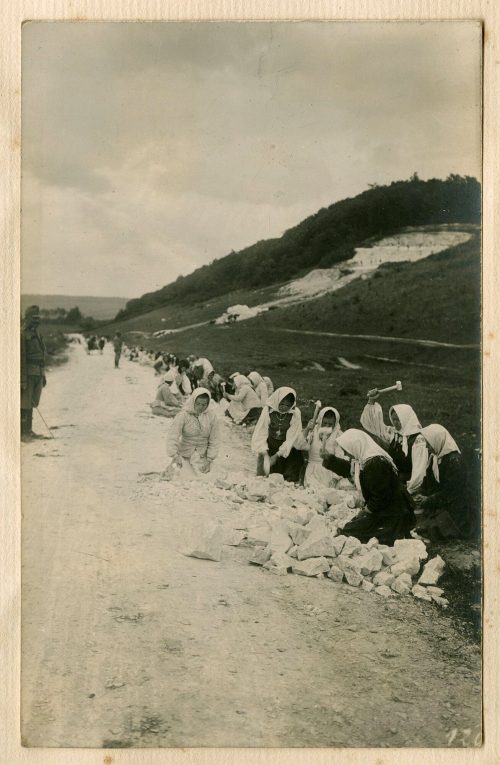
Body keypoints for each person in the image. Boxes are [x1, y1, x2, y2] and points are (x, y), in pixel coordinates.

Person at [321, 429, 415, 545]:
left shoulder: (375, 463)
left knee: (352, 532)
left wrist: (366, 511)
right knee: (351, 528)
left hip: (392, 513)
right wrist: (329, 459)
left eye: (346, 450)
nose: (346, 454)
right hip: (384, 509)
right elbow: (350, 470)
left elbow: (381, 496)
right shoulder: (365, 459)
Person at [360, 393, 434, 496]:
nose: (395, 423)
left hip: (410, 487)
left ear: (406, 419)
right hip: (396, 482)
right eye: (393, 419)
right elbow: (374, 425)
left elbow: (419, 471)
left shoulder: (418, 440)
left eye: (398, 420)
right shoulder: (394, 434)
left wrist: (408, 491)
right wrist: (371, 401)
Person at [415, 424, 474, 539]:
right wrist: (423, 494)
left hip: (455, 504)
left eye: (429, 443)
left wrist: (430, 499)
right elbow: (429, 482)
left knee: (434, 526)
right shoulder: (435, 457)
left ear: (438, 440)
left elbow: (452, 493)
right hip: (442, 500)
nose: (427, 447)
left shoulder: (454, 462)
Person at [251, 387, 304, 482]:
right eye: (282, 404)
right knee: (262, 477)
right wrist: (265, 453)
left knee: (283, 479)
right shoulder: (267, 410)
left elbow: (292, 438)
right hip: (269, 446)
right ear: (277, 400)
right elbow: (261, 433)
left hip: (286, 449)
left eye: (288, 405)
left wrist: (277, 455)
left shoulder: (295, 413)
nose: (284, 407)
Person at [165, 388, 220, 478]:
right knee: (183, 476)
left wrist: (209, 460)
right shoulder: (184, 415)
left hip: (203, 456)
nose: (200, 407)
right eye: (198, 404)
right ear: (193, 401)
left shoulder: (211, 416)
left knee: (212, 477)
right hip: (184, 455)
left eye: (204, 404)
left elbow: (214, 439)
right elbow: (173, 436)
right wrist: (175, 456)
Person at [20, 305, 47, 441]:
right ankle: (23, 433)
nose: (37, 320)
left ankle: (29, 430)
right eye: (34, 318)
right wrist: (22, 379)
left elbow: (42, 355)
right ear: (28, 318)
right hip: (28, 373)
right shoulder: (22, 334)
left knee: (33, 402)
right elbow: (21, 358)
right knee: (25, 402)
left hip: (38, 372)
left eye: (38, 317)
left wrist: (44, 375)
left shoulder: (37, 333)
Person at [302, 407, 343, 490]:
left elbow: (340, 457)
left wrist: (335, 477)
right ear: (320, 421)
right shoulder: (313, 431)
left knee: (332, 491)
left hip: (330, 470)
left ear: (335, 424)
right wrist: (307, 429)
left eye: (330, 424)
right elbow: (302, 445)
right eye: (324, 423)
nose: (327, 426)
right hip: (313, 469)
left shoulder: (337, 434)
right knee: (314, 490)